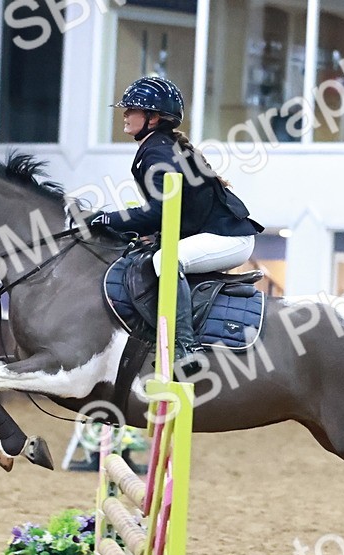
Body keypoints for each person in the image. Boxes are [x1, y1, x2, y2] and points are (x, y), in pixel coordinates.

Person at [88, 76, 264, 363]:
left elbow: (158, 212)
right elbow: (169, 212)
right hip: (215, 234)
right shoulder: (160, 146)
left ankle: (185, 346)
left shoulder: (158, 152)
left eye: (132, 109)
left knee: (165, 261)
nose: (125, 114)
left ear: (153, 118)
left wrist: (108, 218)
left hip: (228, 239)